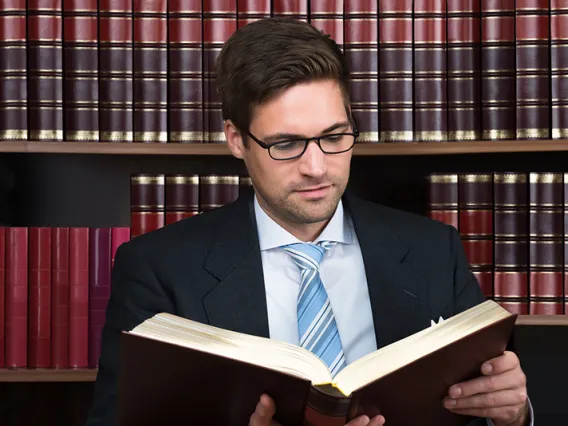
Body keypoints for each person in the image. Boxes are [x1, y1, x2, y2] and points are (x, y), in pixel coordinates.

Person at [86, 17, 532, 426]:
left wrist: (512, 416)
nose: (317, 168)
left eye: (334, 137)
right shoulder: (157, 267)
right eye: (286, 144)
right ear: (236, 140)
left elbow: (484, 401)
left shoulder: (436, 250)